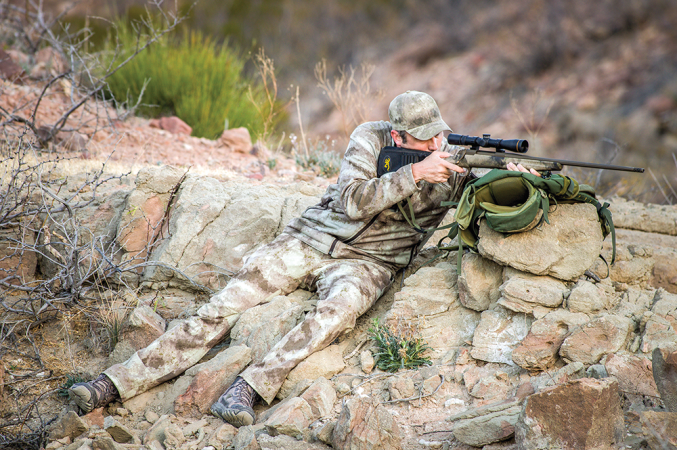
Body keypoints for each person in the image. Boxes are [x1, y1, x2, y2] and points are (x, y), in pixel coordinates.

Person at [69, 90, 538, 427]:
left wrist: (513, 177)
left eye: (436, 138)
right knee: (225, 304)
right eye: (420, 140)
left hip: (370, 264)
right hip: (313, 238)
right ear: (397, 134)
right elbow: (352, 200)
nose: (435, 146)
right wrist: (414, 173)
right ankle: (113, 384)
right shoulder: (371, 140)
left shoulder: (448, 155)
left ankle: (248, 389)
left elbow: (489, 193)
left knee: (331, 317)